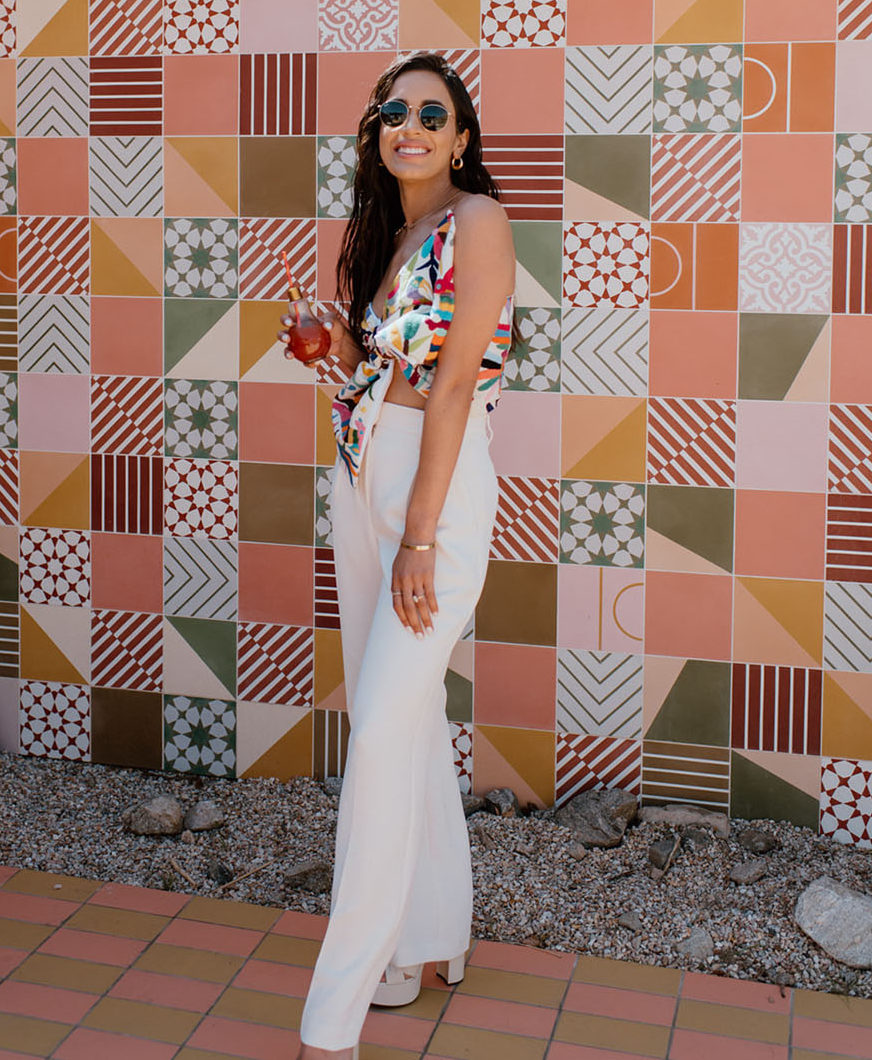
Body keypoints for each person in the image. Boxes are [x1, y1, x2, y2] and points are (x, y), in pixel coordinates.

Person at [278, 52, 515, 1060]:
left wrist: (420, 535)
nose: (410, 123)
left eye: (433, 111)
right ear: (375, 131)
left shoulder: (480, 221)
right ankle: (434, 935)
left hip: (436, 490)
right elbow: (386, 372)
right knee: (407, 726)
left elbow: (454, 389)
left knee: (375, 728)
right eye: (394, 111)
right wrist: (333, 349)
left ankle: (339, 1004)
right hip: (363, 475)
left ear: (461, 136)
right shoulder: (391, 234)